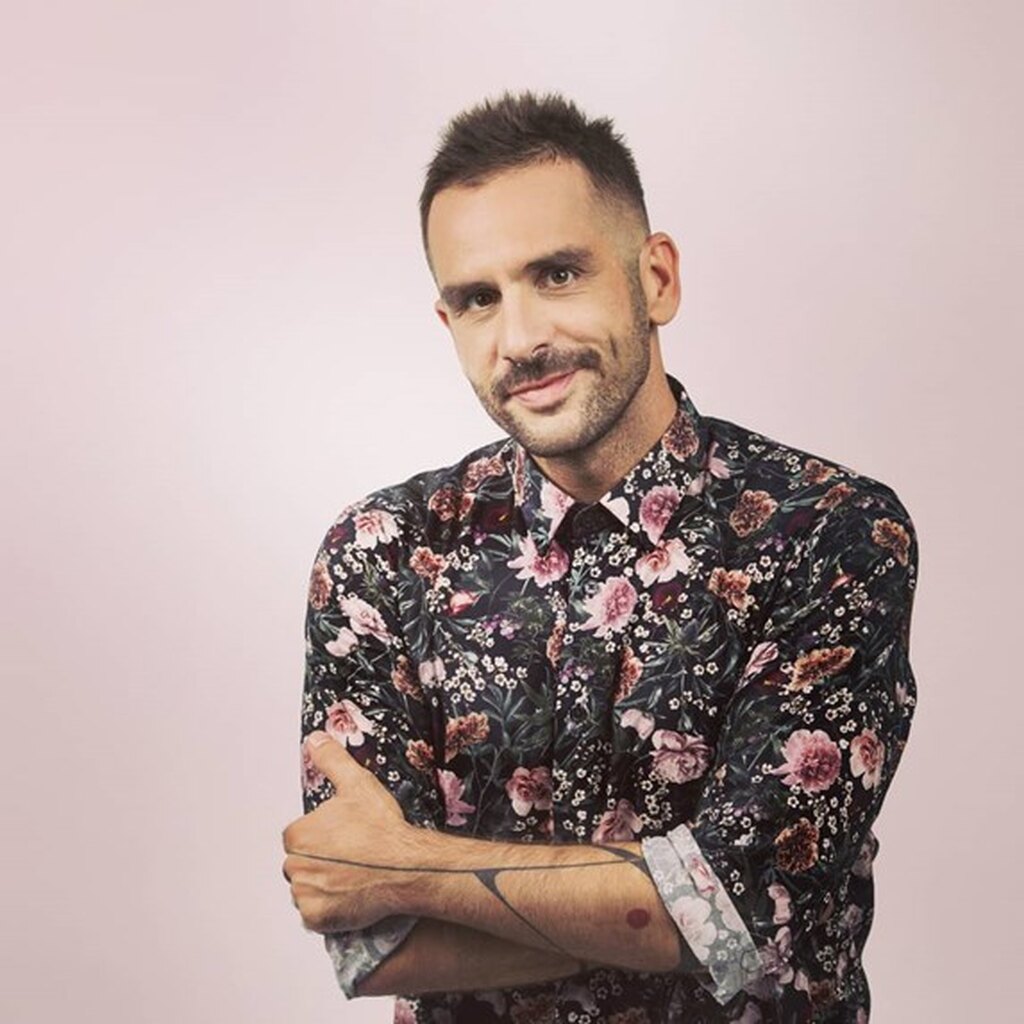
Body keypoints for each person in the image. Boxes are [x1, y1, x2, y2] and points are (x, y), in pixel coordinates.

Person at [282, 92, 918, 1024]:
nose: (521, 339)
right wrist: (674, 907)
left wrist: (411, 867)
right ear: (448, 323)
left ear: (655, 279)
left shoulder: (826, 530)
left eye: (558, 274)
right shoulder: (381, 553)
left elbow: (745, 907)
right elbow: (375, 942)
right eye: (479, 299)